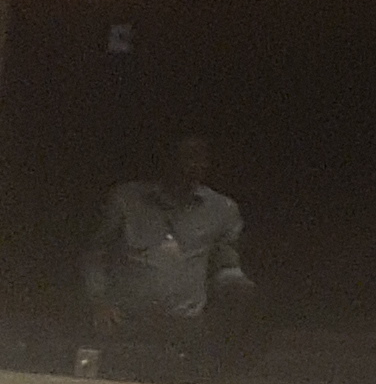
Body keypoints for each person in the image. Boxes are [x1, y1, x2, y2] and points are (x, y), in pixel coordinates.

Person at [82, 134, 255, 371]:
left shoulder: (222, 209)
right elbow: (95, 253)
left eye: (200, 158)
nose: (193, 165)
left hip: (185, 325)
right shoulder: (126, 200)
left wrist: (236, 287)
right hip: (126, 320)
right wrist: (99, 300)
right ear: (167, 160)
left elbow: (227, 263)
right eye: (185, 157)